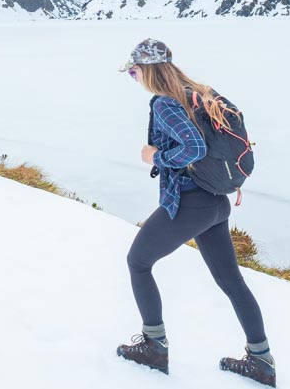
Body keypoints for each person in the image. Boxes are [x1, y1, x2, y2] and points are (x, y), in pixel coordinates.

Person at [114, 38, 276, 386]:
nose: (133, 78)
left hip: (191, 202)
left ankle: (154, 347)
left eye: (133, 71)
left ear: (147, 69)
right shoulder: (198, 92)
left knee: (138, 262)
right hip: (215, 203)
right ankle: (261, 361)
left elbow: (194, 146)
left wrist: (154, 157)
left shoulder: (165, 104)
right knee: (232, 282)